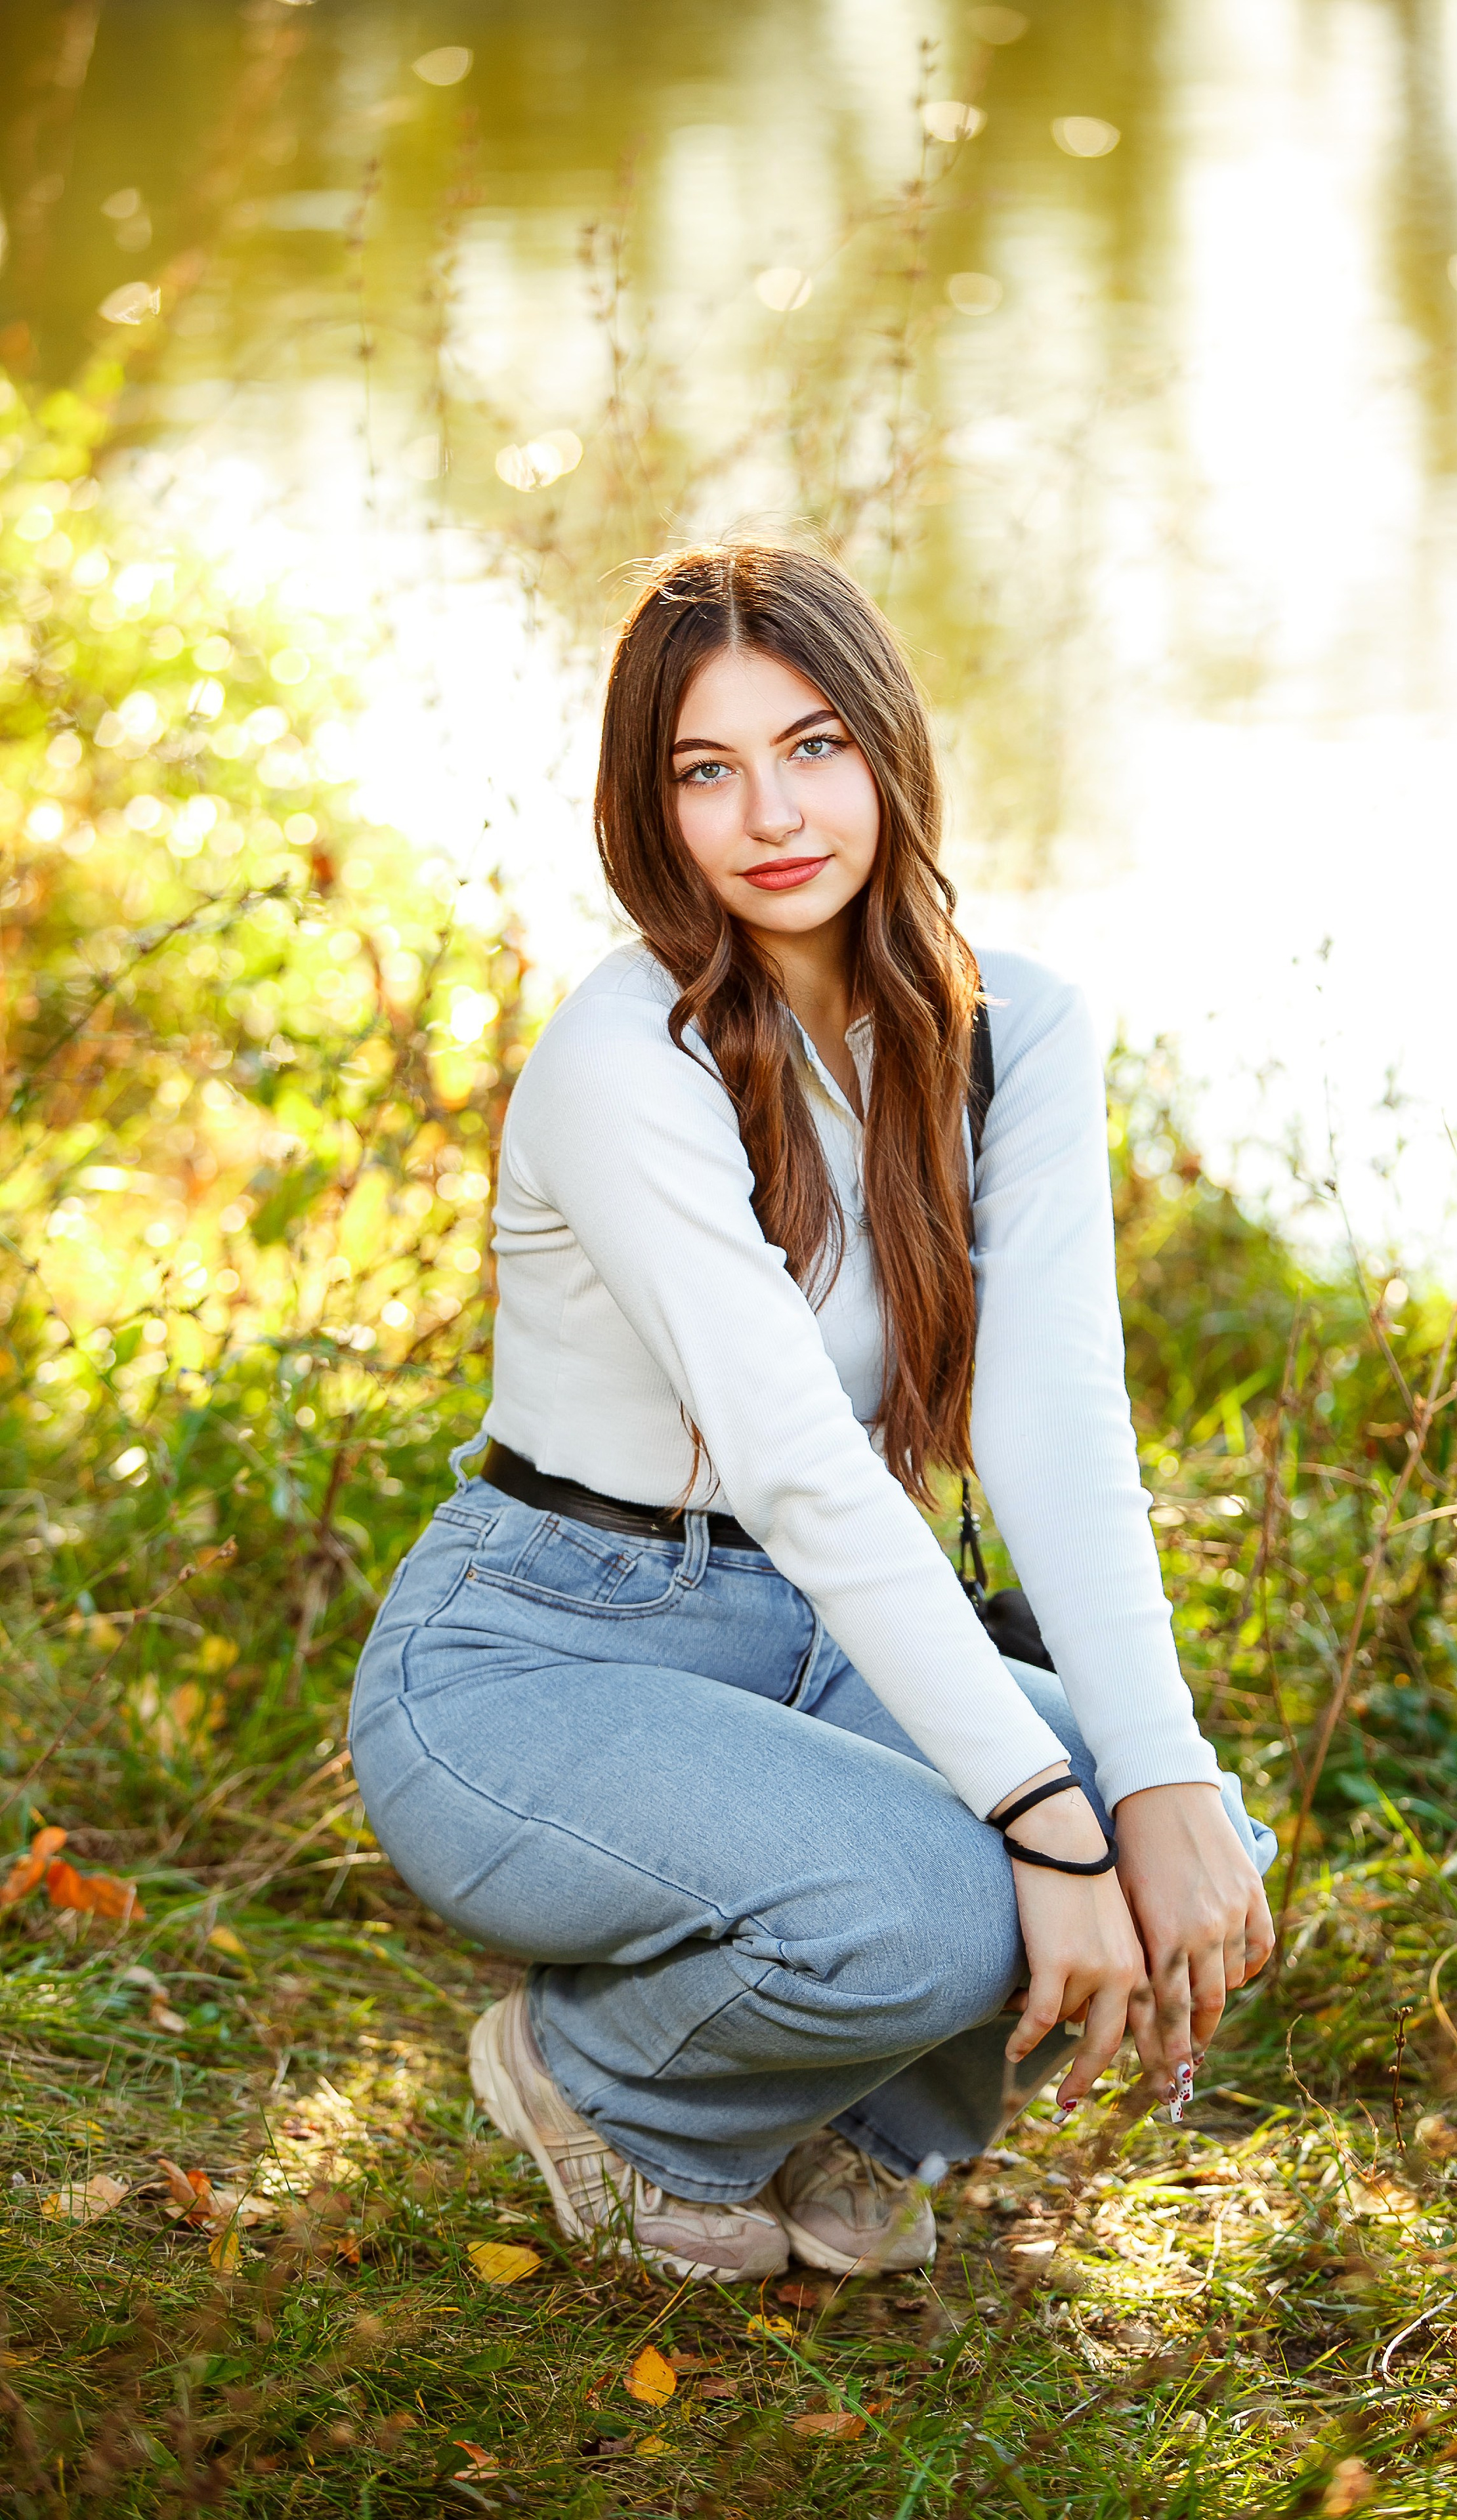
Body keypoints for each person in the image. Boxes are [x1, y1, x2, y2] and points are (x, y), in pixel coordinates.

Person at [348, 542, 1276, 2287]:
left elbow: (1055, 1417)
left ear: (891, 753)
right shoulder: (628, 1058)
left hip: (803, 1621)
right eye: (708, 768)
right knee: (948, 1892)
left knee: (1190, 1826)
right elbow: (790, 1458)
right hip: (539, 1651)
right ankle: (610, 2083)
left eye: (815, 745)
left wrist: (1149, 1783)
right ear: (653, 803)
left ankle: (868, 2131)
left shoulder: (1020, 1030)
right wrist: (1047, 1830)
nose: (770, 812)